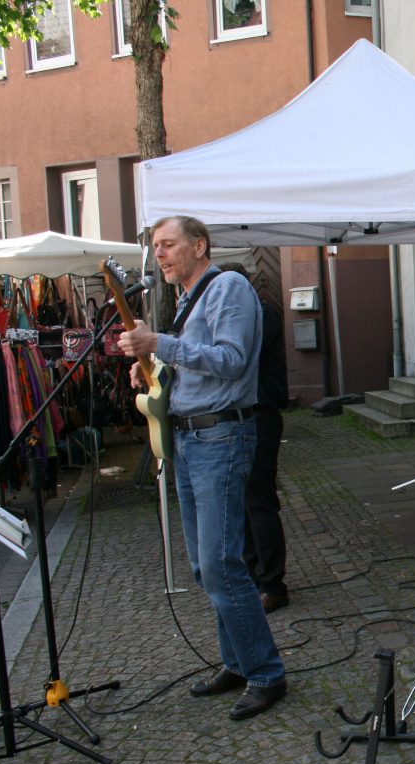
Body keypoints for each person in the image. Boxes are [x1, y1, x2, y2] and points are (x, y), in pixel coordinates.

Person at [119, 216, 287, 721]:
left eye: (168, 245)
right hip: (192, 439)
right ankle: (236, 661)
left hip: (222, 436)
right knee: (203, 564)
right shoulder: (188, 300)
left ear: (199, 245)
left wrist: (159, 346)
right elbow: (194, 363)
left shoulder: (229, 288)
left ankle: (266, 673)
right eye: (156, 247)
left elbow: (232, 360)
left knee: (220, 563)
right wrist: (153, 369)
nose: (161, 254)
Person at [223, 264, 289, 614]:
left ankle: (272, 583)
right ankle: (252, 574)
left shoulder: (261, 314)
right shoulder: (246, 313)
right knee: (243, 501)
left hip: (260, 414)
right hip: (241, 415)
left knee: (259, 500)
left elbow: (237, 357)